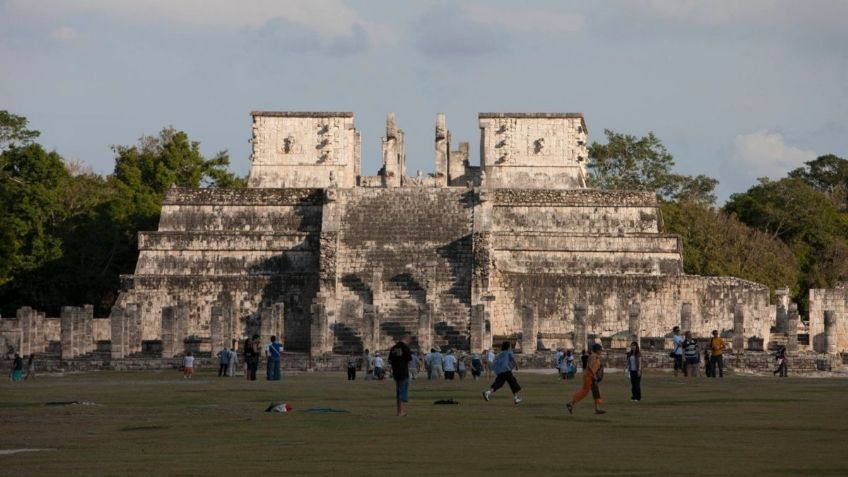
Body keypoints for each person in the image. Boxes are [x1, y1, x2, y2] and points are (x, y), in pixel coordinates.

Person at [566, 343, 605, 415]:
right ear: (596, 350)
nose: (601, 351)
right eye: (600, 349)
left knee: (596, 392)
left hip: (591, 376)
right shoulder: (593, 356)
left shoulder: (596, 356)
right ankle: (570, 403)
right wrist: (594, 375)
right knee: (584, 391)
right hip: (589, 376)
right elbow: (589, 366)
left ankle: (597, 409)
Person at [388, 334, 413, 416]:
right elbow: (409, 360)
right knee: (403, 392)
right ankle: (402, 412)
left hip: (396, 372)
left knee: (399, 392)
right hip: (403, 372)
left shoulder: (393, 348)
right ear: (407, 339)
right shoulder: (405, 347)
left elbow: (390, 360)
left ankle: (399, 411)